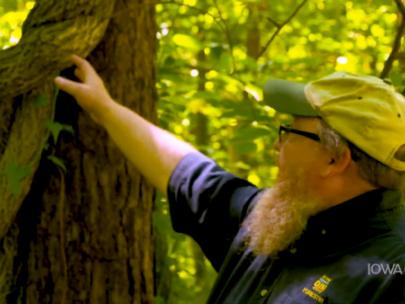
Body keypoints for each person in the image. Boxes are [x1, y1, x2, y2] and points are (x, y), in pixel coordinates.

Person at [55, 55, 405, 303]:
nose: (276, 146)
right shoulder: (276, 223)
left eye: (289, 133)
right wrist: (104, 107)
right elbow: (186, 172)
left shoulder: (392, 274)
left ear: (334, 159)